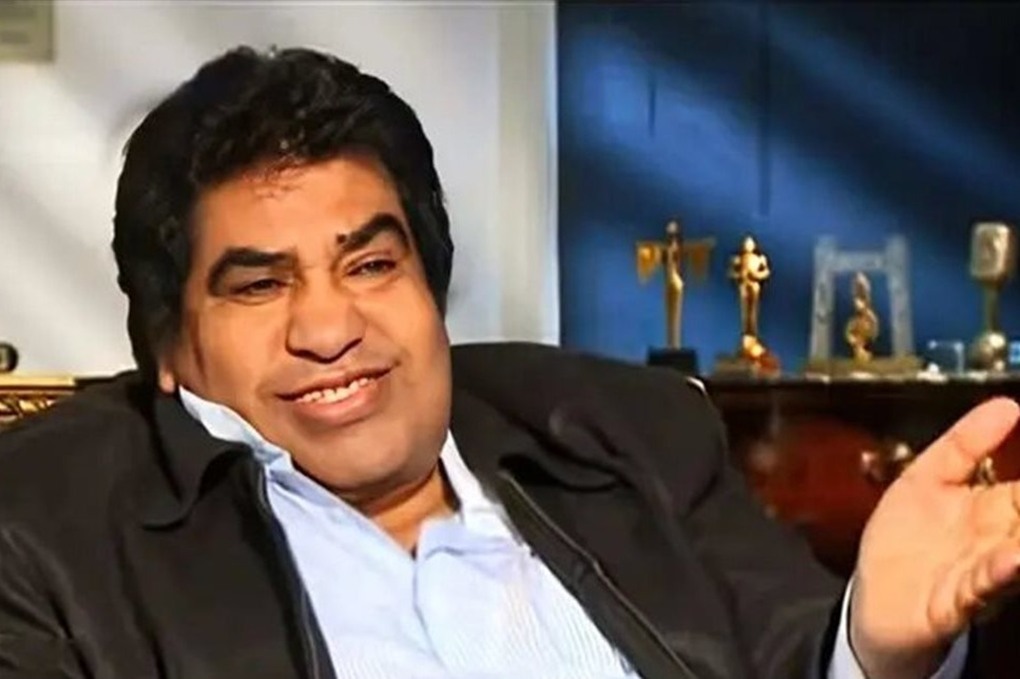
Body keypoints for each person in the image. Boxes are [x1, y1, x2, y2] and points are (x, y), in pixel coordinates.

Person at [0, 46, 1017, 679]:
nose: (330, 325)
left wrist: (875, 646)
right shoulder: (51, 532)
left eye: (371, 263)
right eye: (260, 285)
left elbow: (795, 651)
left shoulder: (626, 435)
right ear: (169, 346)